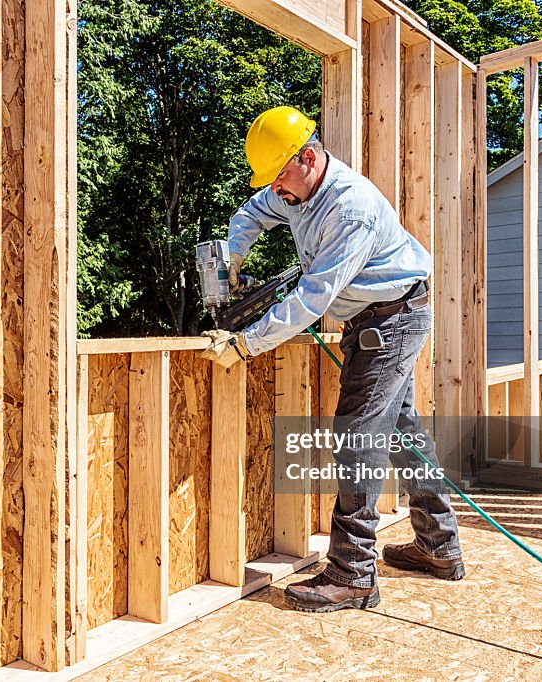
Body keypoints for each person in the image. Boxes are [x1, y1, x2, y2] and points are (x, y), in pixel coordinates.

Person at [199, 106, 465, 613]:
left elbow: (311, 301)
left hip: (392, 319)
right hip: (375, 317)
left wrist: (246, 342)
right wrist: (233, 259)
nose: (275, 188)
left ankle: (353, 573)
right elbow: (251, 214)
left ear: (308, 156)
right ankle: (439, 545)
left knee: (356, 434)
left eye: (280, 175)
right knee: (403, 430)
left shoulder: (350, 208)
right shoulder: (292, 188)